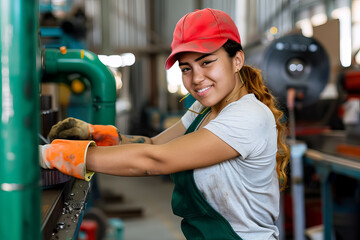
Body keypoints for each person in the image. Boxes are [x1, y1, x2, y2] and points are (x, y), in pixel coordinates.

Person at [40, 8, 290, 240]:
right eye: (186, 68)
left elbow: (156, 160)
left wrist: (65, 156)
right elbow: (154, 143)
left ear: (237, 60)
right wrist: (101, 135)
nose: (196, 78)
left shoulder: (248, 116)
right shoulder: (203, 108)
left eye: (206, 62)